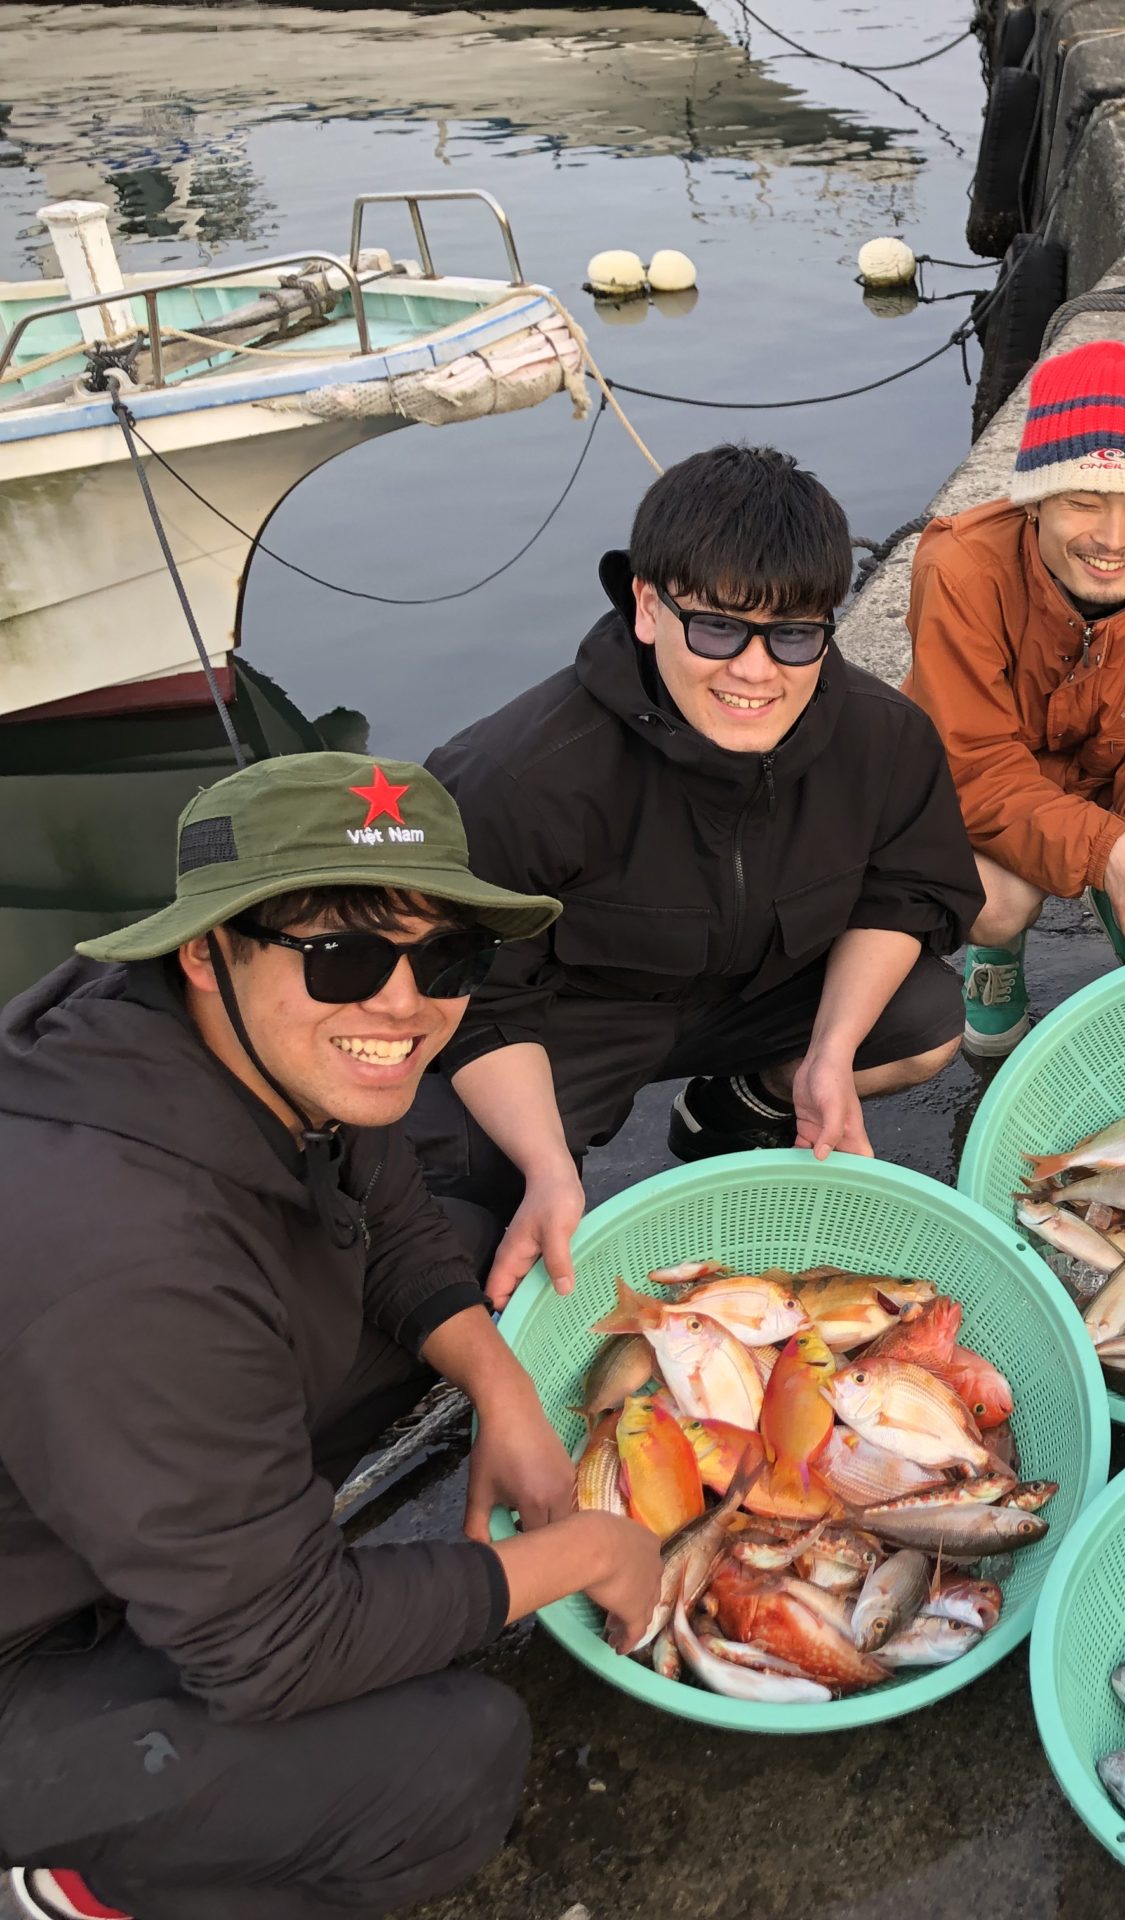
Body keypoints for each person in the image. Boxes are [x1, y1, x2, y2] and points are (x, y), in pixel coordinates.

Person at [0, 755, 662, 1920]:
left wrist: (501, 1385)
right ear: (207, 950)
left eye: (446, 959)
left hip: (101, 1471)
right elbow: (278, 1648)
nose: (403, 1006)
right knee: (448, 1769)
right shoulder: (132, 1260)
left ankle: (217, 1538)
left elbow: (389, 1204)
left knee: (458, 1245)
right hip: (24, 1651)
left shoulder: (229, 1038)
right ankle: (61, 1885)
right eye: (343, 957)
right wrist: (591, 1553)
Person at [411, 444, 981, 1307]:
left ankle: (744, 1105)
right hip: (578, 1019)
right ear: (647, 607)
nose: (754, 670)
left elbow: (907, 892)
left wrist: (829, 1055)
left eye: (793, 635)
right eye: (718, 627)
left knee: (926, 1018)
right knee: (461, 1173)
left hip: (763, 989)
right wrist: (546, 1164)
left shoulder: (884, 737)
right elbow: (476, 996)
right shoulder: (517, 775)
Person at [901, 339, 1125, 1056]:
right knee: (998, 904)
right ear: (1034, 503)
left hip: (1119, 775)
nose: (1114, 540)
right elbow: (971, 766)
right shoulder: (961, 572)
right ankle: (997, 958)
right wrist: (1105, 850)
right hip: (994, 786)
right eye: (1083, 502)